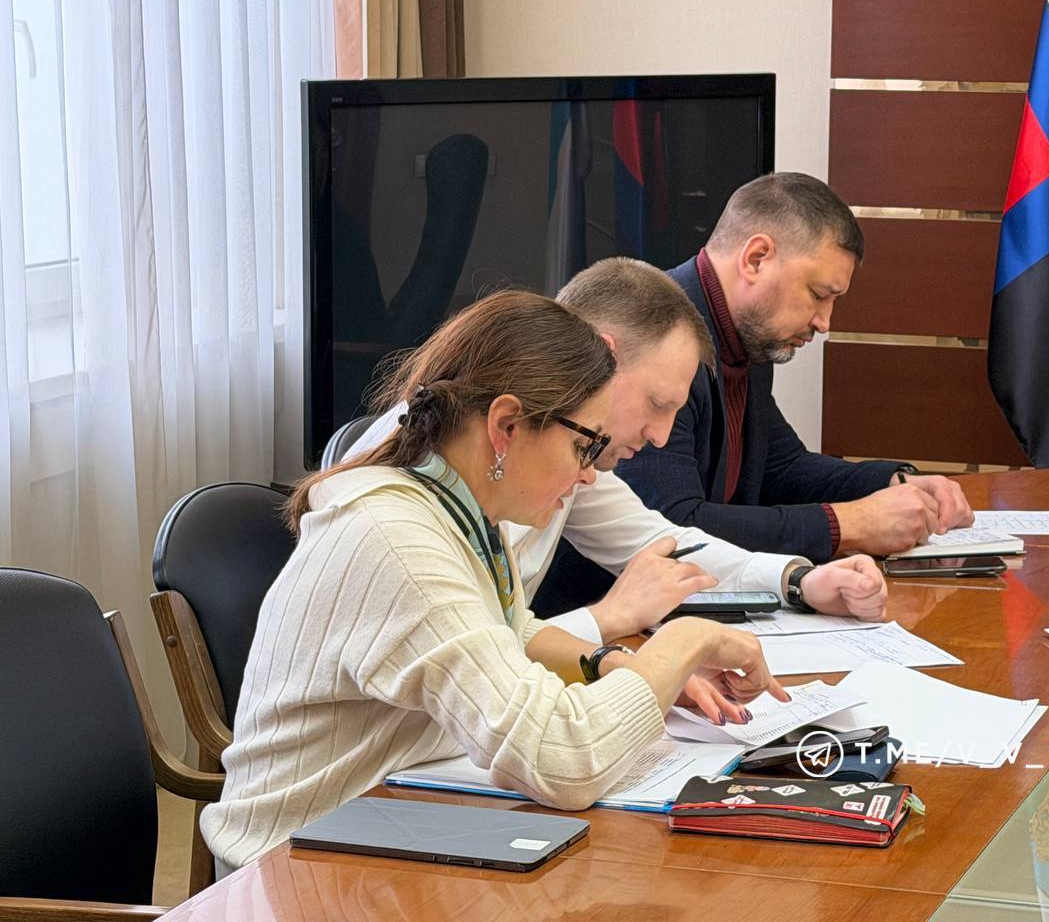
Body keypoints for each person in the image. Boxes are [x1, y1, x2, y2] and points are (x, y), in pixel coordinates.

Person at [202, 291, 786, 871]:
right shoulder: (398, 540)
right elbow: (564, 761)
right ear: (506, 425)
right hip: (288, 870)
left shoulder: (456, 506)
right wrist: (683, 643)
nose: (588, 475)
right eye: (583, 446)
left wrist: (616, 666)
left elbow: (508, 630)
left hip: (381, 827)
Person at [348, 257, 889, 640]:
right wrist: (612, 621)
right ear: (603, 359)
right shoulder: (415, 495)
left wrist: (796, 580)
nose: (661, 435)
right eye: (657, 403)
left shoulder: (565, 453)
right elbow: (480, 668)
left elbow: (661, 542)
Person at [614, 172, 974, 563]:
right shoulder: (653, 336)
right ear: (756, 259)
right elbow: (671, 527)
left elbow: (780, 468)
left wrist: (894, 481)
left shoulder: (745, 333)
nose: (825, 322)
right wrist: (849, 524)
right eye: (818, 295)